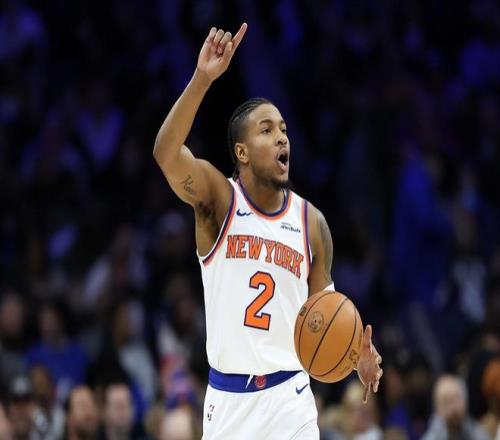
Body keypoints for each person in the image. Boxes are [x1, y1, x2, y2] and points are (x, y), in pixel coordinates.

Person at [153, 23, 383, 439]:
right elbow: (166, 154)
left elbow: (325, 315)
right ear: (241, 152)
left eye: (284, 130)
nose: (281, 138)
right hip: (228, 402)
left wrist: (356, 356)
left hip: (290, 401)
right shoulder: (219, 200)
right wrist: (202, 79)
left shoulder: (312, 223)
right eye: (267, 130)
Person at [422, 374, 490, 440]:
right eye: (447, 402)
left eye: (457, 399)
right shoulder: (432, 437)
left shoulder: (477, 433)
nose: (454, 408)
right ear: (438, 408)